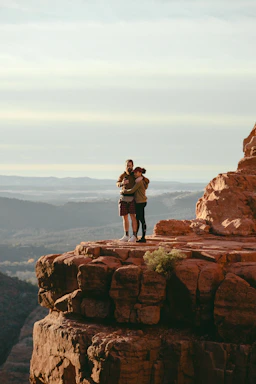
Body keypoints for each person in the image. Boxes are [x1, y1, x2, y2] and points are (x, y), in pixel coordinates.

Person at [120, 167, 149, 243]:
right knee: (138, 219)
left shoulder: (139, 181)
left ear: (140, 172)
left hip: (140, 202)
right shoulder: (140, 180)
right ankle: (138, 236)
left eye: (136, 172)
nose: (135, 174)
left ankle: (142, 237)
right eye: (135, 173)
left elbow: (132, 190)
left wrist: (123, 191)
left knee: (141, 219)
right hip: (140, 201)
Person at [116, 159, 138, 242]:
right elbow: (117, 183)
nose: (129, 167)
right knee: (124, 217)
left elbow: (145, 180)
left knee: (133, 217)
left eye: (130, 165)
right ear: (125, 166)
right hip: (124, 198)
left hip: (132, 198)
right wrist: (122, 183)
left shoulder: (135, 175)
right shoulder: (123, 175)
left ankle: (134, 235)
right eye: (127, 165)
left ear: (132, 166)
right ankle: (126, 235)